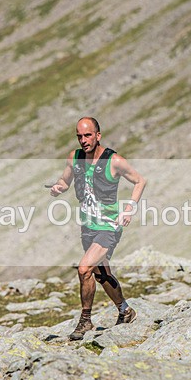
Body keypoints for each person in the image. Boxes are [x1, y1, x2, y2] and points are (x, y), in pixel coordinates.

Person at [50, 117, 147, 340]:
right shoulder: (74, 158)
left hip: (108, 227)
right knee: (102, 275)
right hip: (88, 227)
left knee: (84, 269)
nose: (83, 140)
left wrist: (129, 208)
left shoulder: (113, 160)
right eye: (79, 136)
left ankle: (85, 321)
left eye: (88, 135)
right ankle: (125, 311)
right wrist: (58, 187)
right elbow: (65, 182)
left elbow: (140, 181)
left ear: (98, 135)